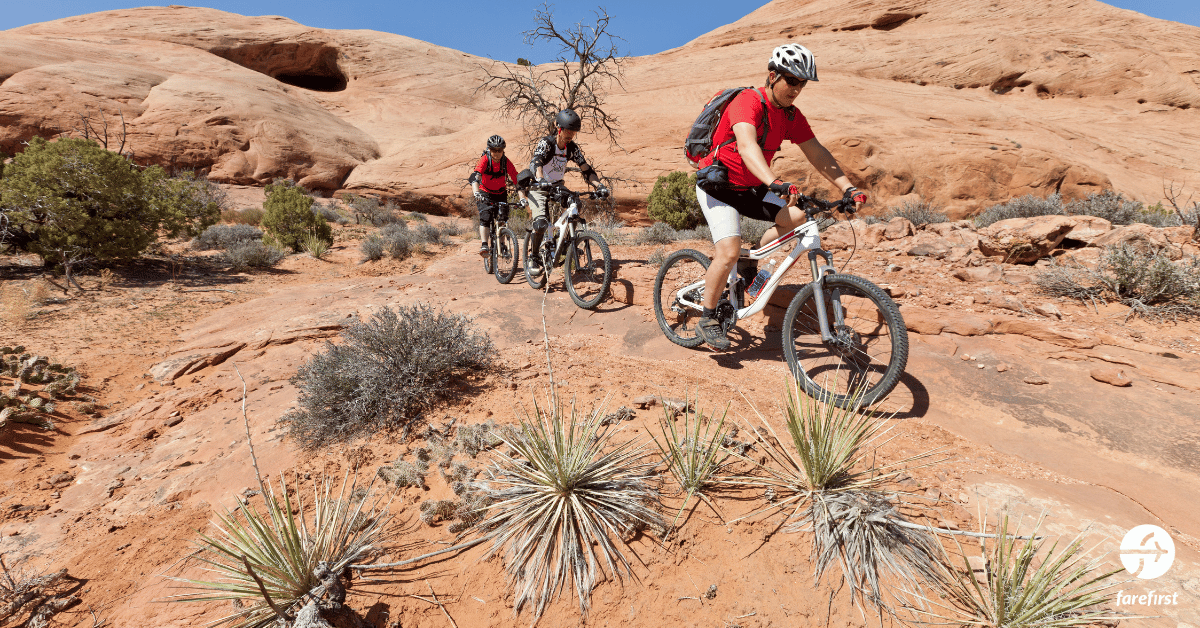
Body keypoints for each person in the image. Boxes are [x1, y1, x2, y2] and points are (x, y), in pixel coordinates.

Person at [692, 43, 867, 350]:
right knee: (728, 252)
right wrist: (775, 182)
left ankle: (749, 261)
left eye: (803, 84)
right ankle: (707, 318)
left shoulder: (790, 116)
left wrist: (847, 188)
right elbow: (747, 146)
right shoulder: (748, 101)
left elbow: (817, 152)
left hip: (752, 188)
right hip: (719, 187)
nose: (797, 89)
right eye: (792, 81)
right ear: (773, 76)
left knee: (798, 217)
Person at [526, 109, 609, 272]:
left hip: (557, 186)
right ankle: (533, 258)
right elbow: (536, 162)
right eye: (568, 131)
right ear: (559, 128)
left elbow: (586, 168)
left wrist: (599, 186)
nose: (570, 135)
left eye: (573, 132)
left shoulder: (571, 148)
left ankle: (564, 243)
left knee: (575, 204)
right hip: (539, 187)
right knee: (541, 224)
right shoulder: (547, 143)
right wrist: (540, 179)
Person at [469, 134, 528, 257]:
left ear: (503, 151)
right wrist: (476, 192)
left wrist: (522, 198)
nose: (496, 153)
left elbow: (517, 181)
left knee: (503, 219)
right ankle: (484, 245)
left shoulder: (506, 162)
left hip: (501, 193)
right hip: (485, 193)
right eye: (494, 150)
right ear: (489, 150)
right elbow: (475, 177)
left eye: (499, 150)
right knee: (485, 217)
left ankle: (502, 245)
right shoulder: (485, 160)